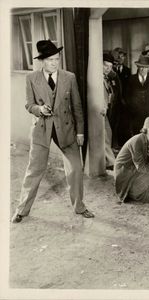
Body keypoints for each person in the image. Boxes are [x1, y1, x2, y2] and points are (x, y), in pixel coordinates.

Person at [11, 40, 94, 223]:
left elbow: (77, 106)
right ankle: (22, 210)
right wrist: (39, 110)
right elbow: (28, 104)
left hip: (66, 128)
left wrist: (80, 132)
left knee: (76, 169)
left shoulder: (69, 77)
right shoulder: (31, 78)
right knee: (34, 170)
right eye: (50, 60)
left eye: (57, 59)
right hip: (42, 129)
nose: (54, 63)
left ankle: (79, 207)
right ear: (42, 61)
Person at [114, 116, 149, 203]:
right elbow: (141, 167)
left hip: (134, 169)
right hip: (125, 174)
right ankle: (129, 192)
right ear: (146, 128)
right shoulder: (137, 140)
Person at [126, 55, 149, 135]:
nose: (143, 69)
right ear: (138, 67)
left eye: (145, 67)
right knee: (138, 135)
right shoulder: (131, 79)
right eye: (141, 67)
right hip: (136, 114)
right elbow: (127, 97)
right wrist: (132, 108)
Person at [111, 47, 131, 147]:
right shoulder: (111, 71)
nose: (121, 58)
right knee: (114, 124)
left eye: (123, 56)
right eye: (119, 56)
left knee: (124, 124)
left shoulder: (127, 70)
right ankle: (114, 145)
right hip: (114, 102)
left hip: (125, 103)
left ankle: (124, 144)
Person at [102, 53, 118, 168]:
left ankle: (108, 161)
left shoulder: (107, 77)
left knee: (108, 133)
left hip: (105, 110)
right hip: (100, 111)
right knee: (105, 136)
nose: (108, 69)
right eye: (106, 66)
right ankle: (111, 162)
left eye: (110, 67)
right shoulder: (98, 78)